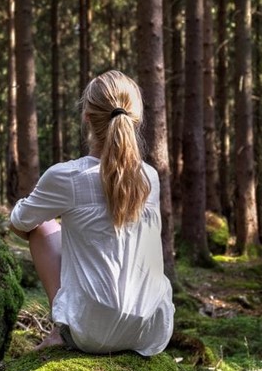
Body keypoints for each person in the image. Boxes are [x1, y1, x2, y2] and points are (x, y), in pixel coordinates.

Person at [10, 70, 174, 356]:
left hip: (91, 333)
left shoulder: (67, 176)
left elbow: (19, 221)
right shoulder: (150, 177)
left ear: (87, 116)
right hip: (151, 330)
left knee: (42, 226)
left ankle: (60, 329)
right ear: (135, 118)